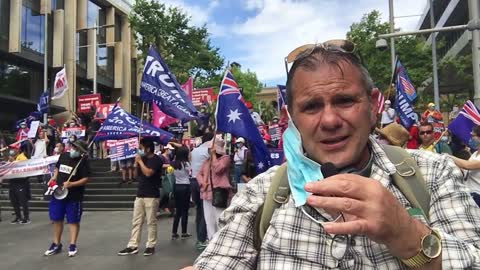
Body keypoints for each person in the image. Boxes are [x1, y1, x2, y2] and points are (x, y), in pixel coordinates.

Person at [187, 40, 480, 269]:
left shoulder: (433, 175)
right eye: (311, 106)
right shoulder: (260, 194)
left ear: (372, 104)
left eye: (344, 100)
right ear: (292, 117)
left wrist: (406, 234)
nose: (329, 120)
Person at [118, 139, 163, 257]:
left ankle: (150, 245)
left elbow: (148, 173)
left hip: (151, 195)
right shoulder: (142, 159)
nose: (140, 150)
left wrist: (140, 162)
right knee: (136, 221)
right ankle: (132, 245)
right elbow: (138, 175)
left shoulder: (156, 160)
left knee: (151, 221)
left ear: (148, 148)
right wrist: (136, 164)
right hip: (140, 193)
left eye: (141, 147)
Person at [44, 140, 90, 257]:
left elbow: (85, 179)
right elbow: (57, 169)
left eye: (76, 148)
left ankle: (72, 244)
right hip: (59, 193)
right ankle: (56, 244)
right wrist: (54, 178)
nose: (73, 149)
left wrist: (72, 184)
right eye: (72, 147)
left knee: (73, 221)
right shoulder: (64, 156)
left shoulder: (83, 161)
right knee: (56, 219)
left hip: (74, 196)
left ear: (81, 151)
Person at [196, 136, 232, 241]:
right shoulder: (207, 161)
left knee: (219, 219)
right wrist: (203, 182)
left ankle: (221, 241)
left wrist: (213, 156)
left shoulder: (225, 158)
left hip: (219, 193)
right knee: (209, 221)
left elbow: (218, 169)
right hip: (207, 194)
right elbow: (199, 174)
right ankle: (211, 241)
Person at [190, 132, 214, 250]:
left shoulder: (194, 151)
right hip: (203, 182)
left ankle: (200, 238)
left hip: (193, 181)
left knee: (199, 211)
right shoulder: (208, 151)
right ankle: (202, 238)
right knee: (206, 211)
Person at [450, 126, 480, 207]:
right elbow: (465, 170)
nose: (470, 139)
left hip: (477, 195)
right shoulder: (474, 154)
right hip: (469, 192)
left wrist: (449, 157)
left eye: (472, 136)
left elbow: (467, 165)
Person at [171, 146, 192, 240]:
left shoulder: (174, 164)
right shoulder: (186, 164)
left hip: (177, 186)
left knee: (178, 210)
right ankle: (184, 231)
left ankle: (174, 232)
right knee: (185, 210)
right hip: (185, 186)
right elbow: (190, 173)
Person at [8, 146, 31, 224]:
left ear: (17, 150)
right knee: (14, 201)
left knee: (23, 201)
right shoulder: (11, 159)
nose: (12, 151)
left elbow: (25, 165)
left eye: (14, 149)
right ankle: (18, 217)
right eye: (11, 149)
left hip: (21, 183)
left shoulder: (22, 157)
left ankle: (26, 218)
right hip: (12, 182)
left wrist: (14, 163)